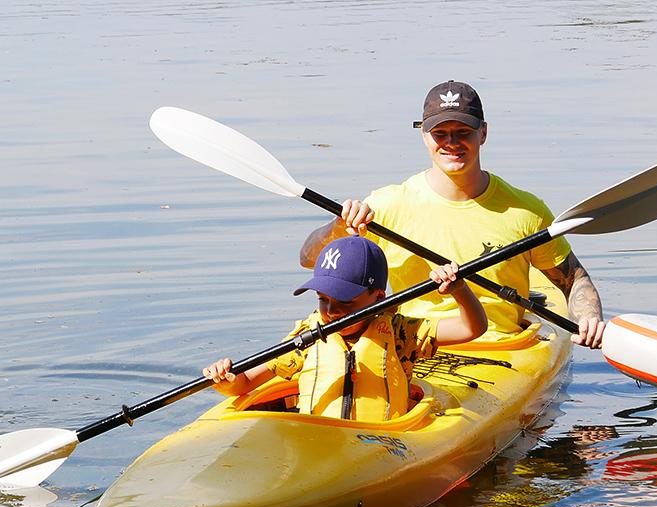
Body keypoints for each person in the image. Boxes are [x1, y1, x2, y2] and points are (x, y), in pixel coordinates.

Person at [299, 80, 605, 349]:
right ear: (423, 135)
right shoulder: (387, 205)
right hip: (414, 345)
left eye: (463, 132)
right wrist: (340, 225)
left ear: (483, 133)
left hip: (503, 348)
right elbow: (309, 259)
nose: (452, 143)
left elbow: (573, 279)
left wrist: (589, 318)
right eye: (440, 133)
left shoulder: (525, 210)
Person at [203, 235, 487, 420]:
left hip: (382, 442)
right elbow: (247, 382)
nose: (331, 312)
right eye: (323, 300)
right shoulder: (308, 336)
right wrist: (227, 380)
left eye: (345, 302)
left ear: (378, 298)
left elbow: (471, 328)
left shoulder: (402, 333)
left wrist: (459, 289)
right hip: (317, 443)